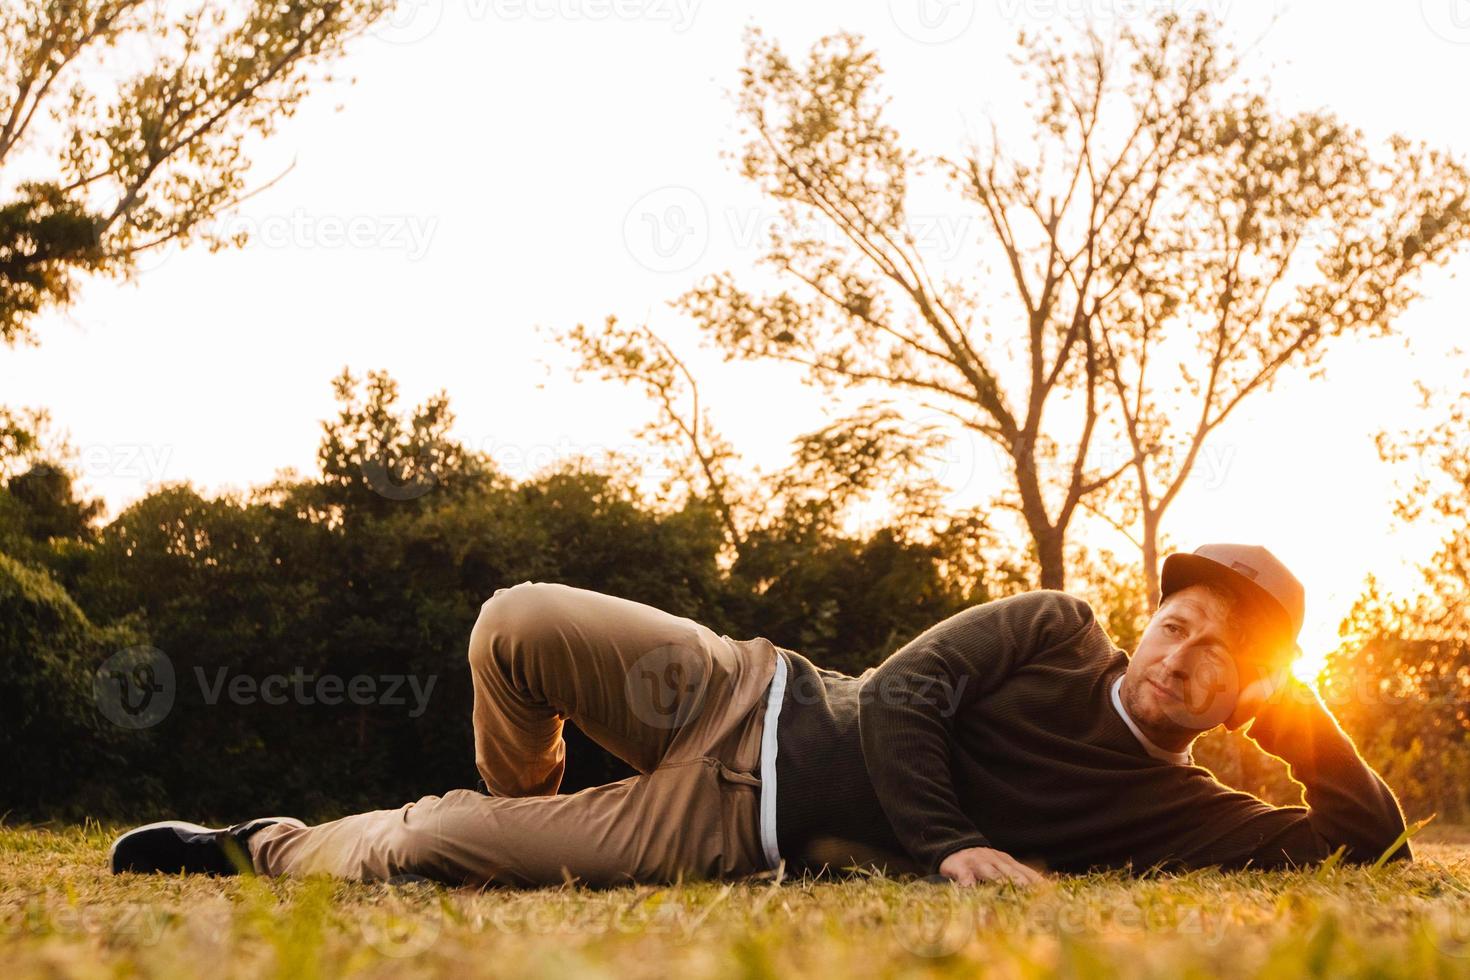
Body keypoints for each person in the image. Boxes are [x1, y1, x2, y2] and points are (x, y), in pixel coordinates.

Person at [109, 543, 1412, 888]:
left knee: (418, 852)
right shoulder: (1059, 624)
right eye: (1172, 623)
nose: (1173, 655)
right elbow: (903, 695)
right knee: (512, 621)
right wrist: (948, 840)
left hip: (737, 825)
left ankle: (260, 843)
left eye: (1212, 658)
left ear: (1236, 692)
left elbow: (1363, 840)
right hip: (748, 685)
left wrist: (1288, 715)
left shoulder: (1188, 812)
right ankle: (531, 806)